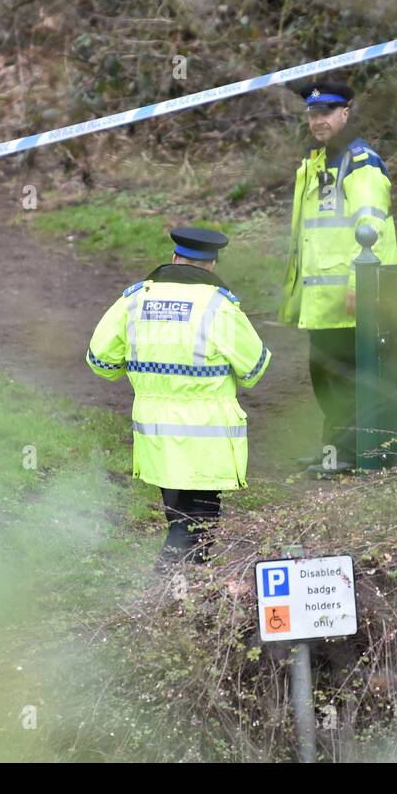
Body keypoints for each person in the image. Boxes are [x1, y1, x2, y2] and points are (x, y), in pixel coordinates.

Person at [86, 227, 271, 568]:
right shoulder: (220, 308)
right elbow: (255, 369)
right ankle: (167, 597)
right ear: (212, 265)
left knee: (179, 522)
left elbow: (100, 361)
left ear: (174, 258)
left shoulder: (134, 299)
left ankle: (179, 601)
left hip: (156, 438)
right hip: (207, 441)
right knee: (197, 528)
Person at [279, 78, 397, 473]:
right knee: (327, 380)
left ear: (345, 113)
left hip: (349, 299)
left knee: (347, 381)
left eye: (327, 112)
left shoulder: (359, 161)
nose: (318, 120)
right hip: (323, 303)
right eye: (313, 113)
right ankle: (334, 450)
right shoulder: (318, 161)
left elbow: (372, 226)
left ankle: (349, 455)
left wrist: (359, 284)